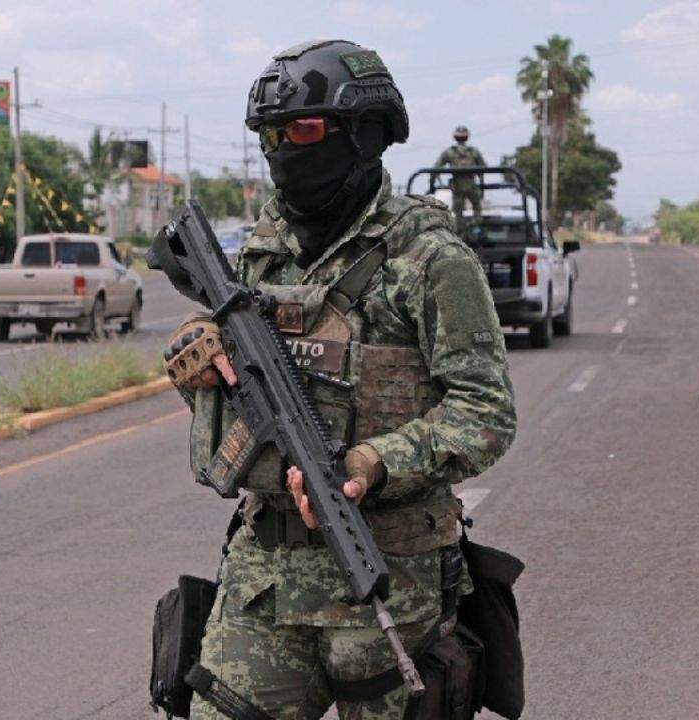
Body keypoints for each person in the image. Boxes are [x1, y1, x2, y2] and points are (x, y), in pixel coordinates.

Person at [165, 40, 517, 718]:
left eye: (301, 130)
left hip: (391, 583)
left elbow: (486, 410)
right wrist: (198, 358)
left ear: (365, 132)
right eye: (270, 136)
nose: (282, 151)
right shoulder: (261, 255)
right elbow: (235, 387)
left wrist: (375, 461)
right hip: (265, 580)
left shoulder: (430, 258)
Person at [434, 126, 486, 234]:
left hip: (457, 187)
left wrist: (433, 180)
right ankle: (477, 230)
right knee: (477, 208)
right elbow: (483, 168)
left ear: (455, 137)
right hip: (472, 185)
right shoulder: (473, 152)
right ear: (467, 137)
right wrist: (481, 185)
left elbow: (437, 167)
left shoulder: (449, 152)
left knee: (458, 213)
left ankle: (461, 234)